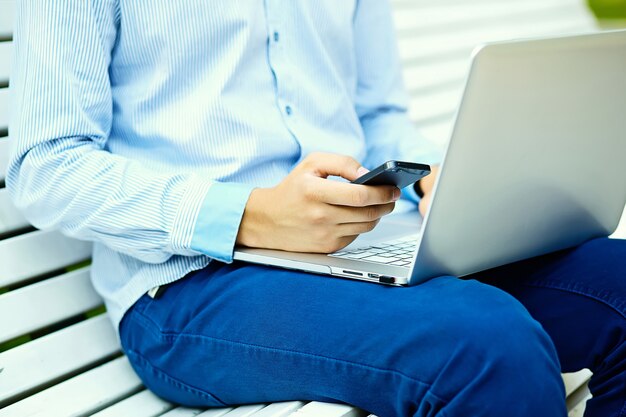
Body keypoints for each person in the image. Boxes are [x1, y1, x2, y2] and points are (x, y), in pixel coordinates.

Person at [7, 2, 625, 416]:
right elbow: (45, 164)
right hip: (189, 286)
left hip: (367, 247)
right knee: (487, 343)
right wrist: (248, 213)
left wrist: (434, 174)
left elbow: (379, 118)